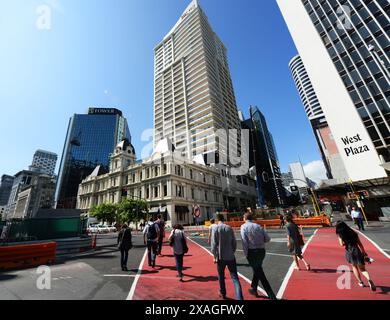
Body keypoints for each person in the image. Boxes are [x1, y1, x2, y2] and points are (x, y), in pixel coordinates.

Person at [241, 212, 277, 300]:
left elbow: (244, 242)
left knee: (260, 273)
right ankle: (254, 288)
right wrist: (260, 241)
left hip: (252, 252)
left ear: (245, 218)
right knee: (257, 269)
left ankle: (271, 295)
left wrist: (246, 254)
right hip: (261, 251)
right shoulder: (258, 226)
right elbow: (268, 238)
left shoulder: (244, 227)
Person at [336, 221, 376, 291]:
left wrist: (345, 241)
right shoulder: (353, 232)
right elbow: (360, 244)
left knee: (354, 266)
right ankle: (369, 279)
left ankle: (360, 282)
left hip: (349, 251)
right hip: (357, 251)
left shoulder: (340, 234)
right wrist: (364, 252)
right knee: (363, 269)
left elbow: (341, 244)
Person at [211, 213, 243, 300]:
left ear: (217, 220)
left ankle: (223, 292)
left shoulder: (216, 228)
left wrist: (214, 256)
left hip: (221, 257)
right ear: (223, 219)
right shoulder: (229, 228)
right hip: (230, 256)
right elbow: (234, 242)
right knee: (235, 277)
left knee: (221, 276)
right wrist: (232, 251)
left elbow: (213, 244)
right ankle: (239, 297)